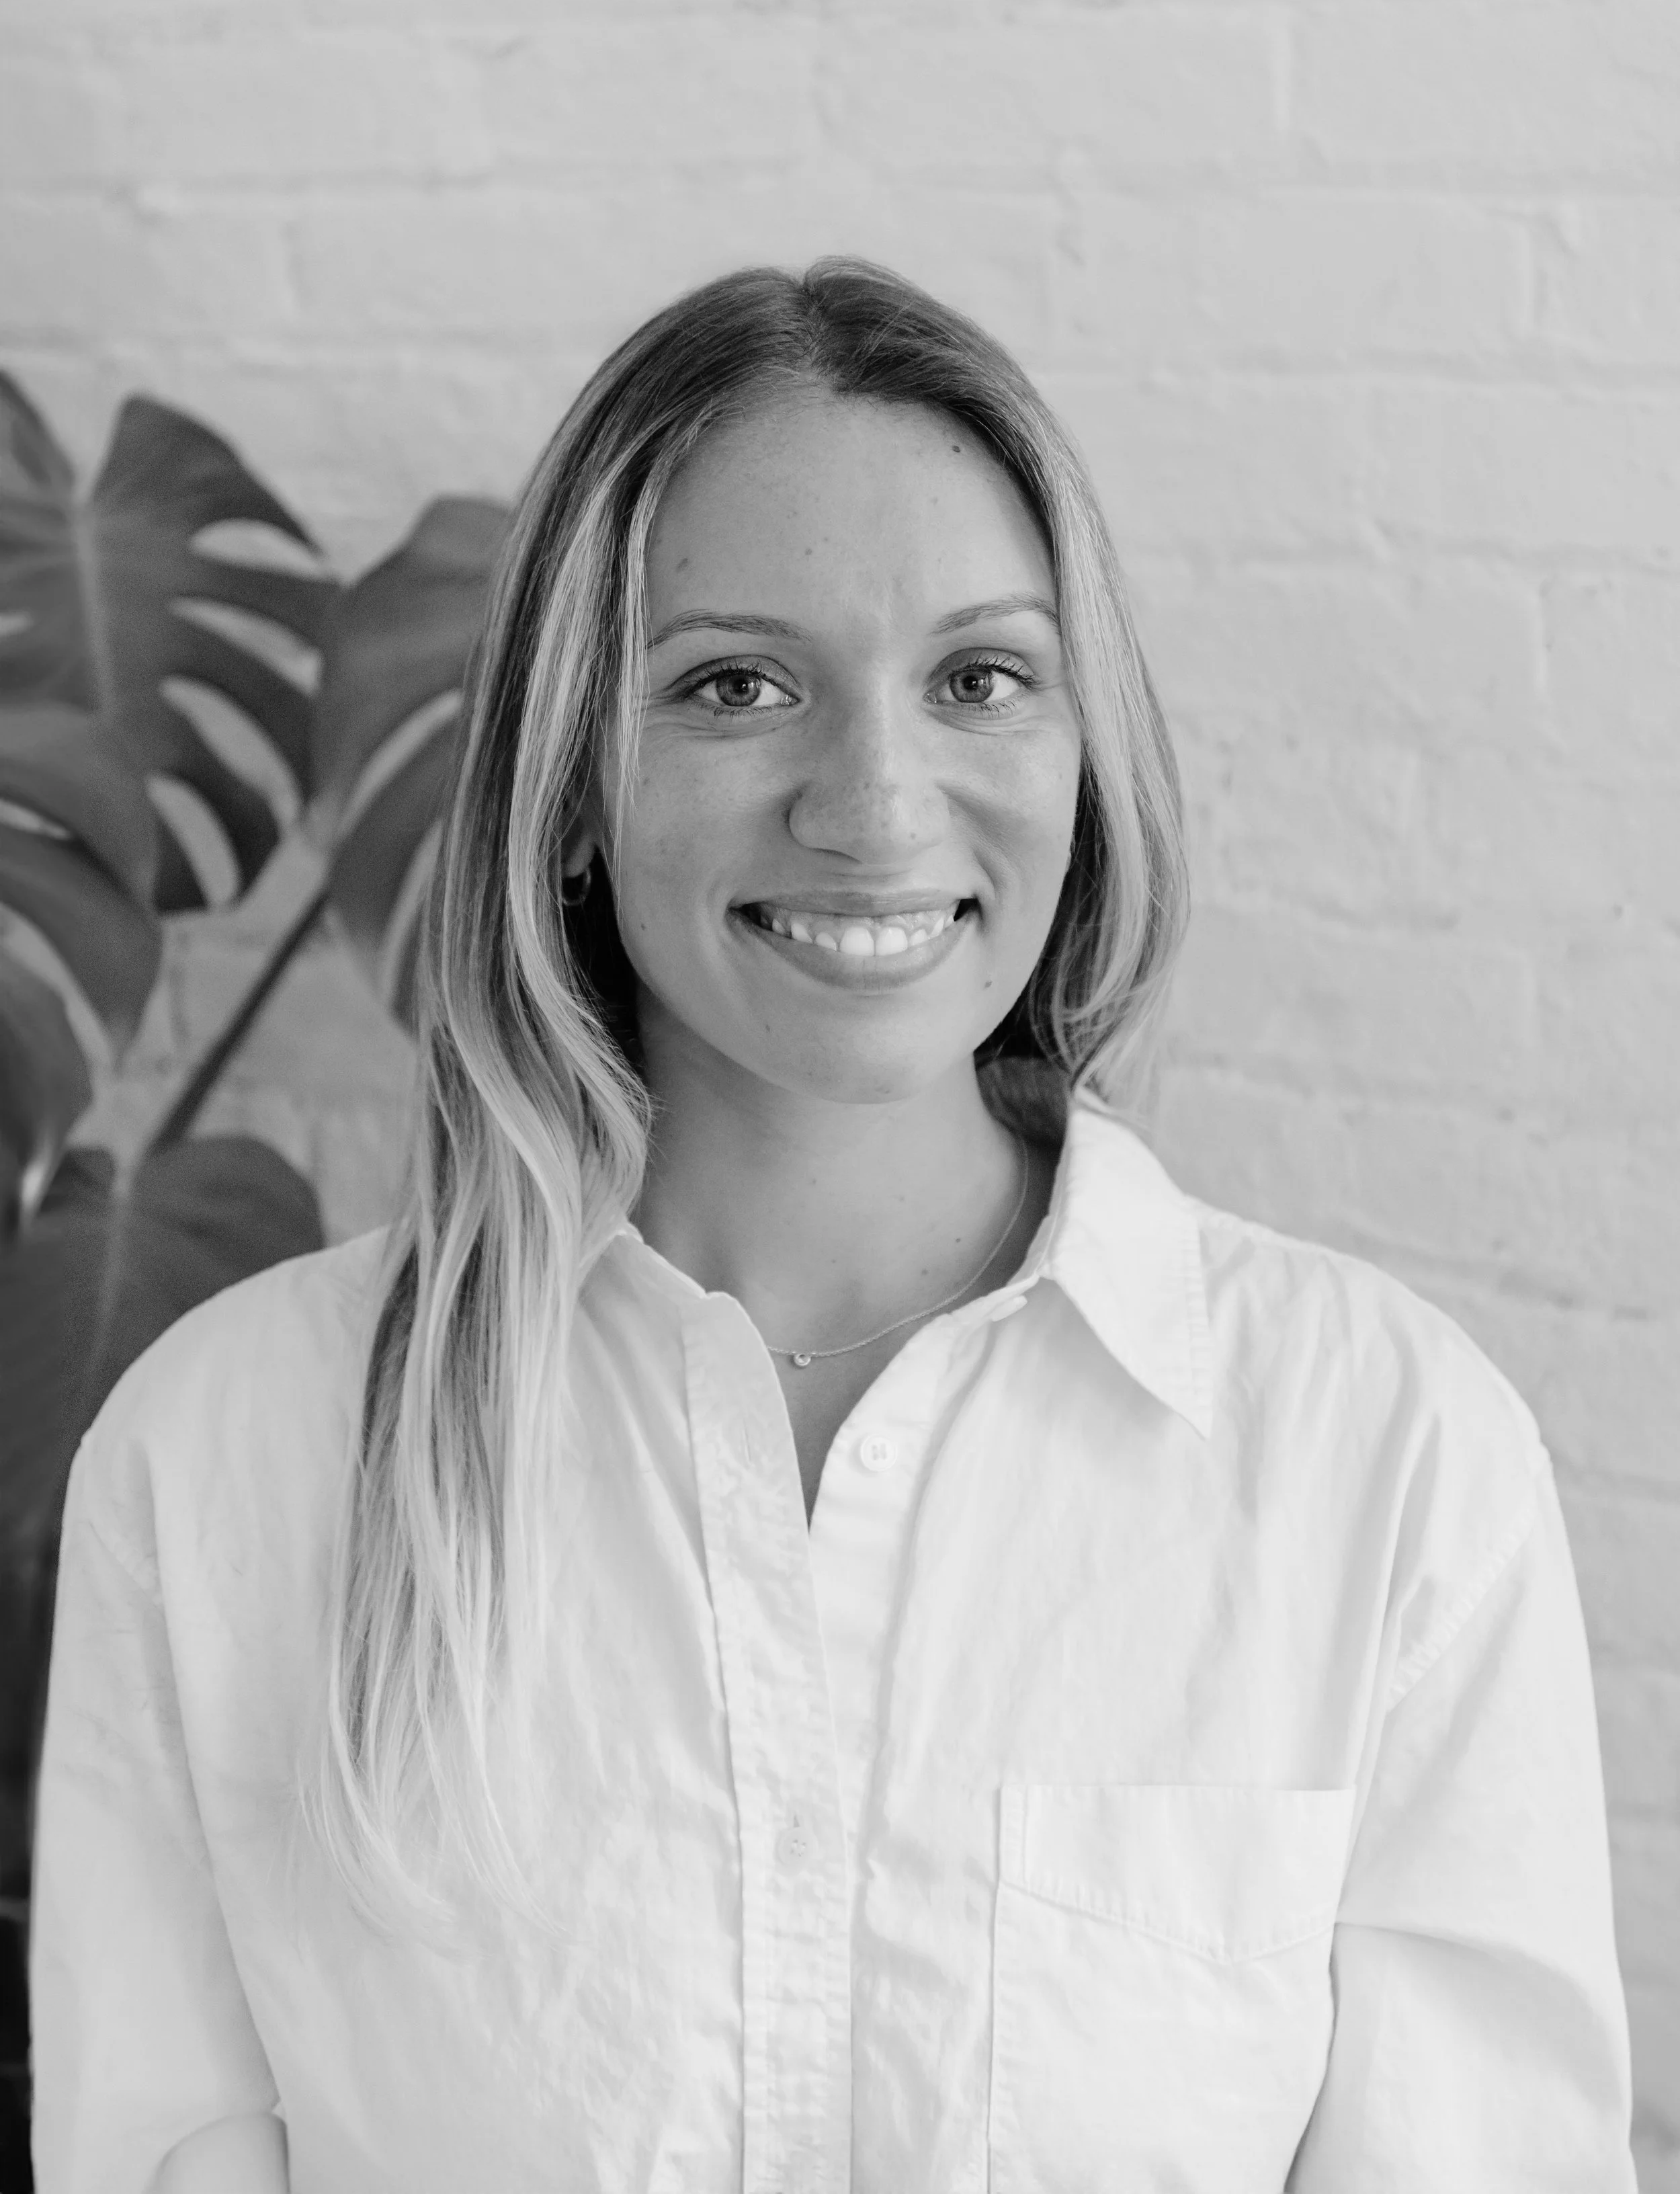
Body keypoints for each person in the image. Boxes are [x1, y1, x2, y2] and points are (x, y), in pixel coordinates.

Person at [30, 260, 1636, 2192]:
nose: (874, 806)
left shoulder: (1386, 1459)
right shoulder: (226, 1461)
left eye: (978, 677)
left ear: (1081, 749)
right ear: (569, 781)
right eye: (734, 682)